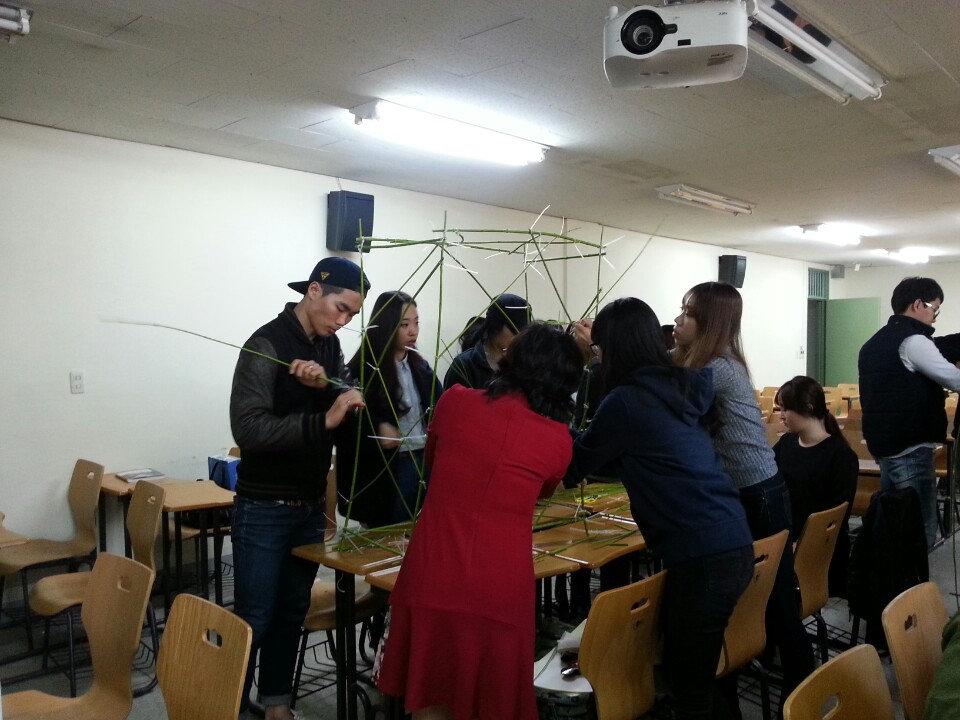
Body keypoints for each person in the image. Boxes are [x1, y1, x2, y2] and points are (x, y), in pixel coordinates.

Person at [376, 323, 583, 720]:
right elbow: (544, 491)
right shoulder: (558, 440)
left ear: (511, 358)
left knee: (428, 695)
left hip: (432, 572)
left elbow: (434, 461)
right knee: (491, 700)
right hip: (499, 586)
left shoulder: (454, 402)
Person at [567, 298, 754, 720]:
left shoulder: (626, 401)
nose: (598, 358)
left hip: (703, 554)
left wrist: (548, 418)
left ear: (613, 349)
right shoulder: (679, 386)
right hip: (729, 539)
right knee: (695, 675)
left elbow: (577, 463)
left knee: (689, 686)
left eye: (599, 349)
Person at [230, 256, 369, 720]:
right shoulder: (264, 344)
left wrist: (340, 396)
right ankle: (227, 705)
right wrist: (323, 419)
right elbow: (248, 429)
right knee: (254, 618)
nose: (343, 320)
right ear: (313, 291)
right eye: (340, 308)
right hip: (264, 507)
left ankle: (276, 704)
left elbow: (342, 401)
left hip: (309, 507)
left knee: (291, 612)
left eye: (352, 314)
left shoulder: (329, 347)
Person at [673, 281, 813, 715]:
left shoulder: (716, 369)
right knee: (743, 599)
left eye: (688, 313)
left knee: (777, 600)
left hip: (759, 493)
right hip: (747, 492)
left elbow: (664, 391)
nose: (678, 320)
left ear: (710, 322)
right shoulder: (707, 363)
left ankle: (802, 696)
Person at [859, 276, 960, 551]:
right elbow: (954, 379)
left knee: (896, 523)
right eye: (934, 309)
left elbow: (940, 346)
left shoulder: (875, 342)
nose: (934, 317)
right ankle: (912, 578)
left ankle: (895, 575)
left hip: (886, 447)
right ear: (918, 304)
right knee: (919, 529)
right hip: (911, 449)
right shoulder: (913, 341)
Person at [337, 291, 443, 527]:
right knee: (391, 535)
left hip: (424, 461)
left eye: (416, 323)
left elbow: (439, 410)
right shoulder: (362, 370)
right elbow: (345, 427)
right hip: (388, 470)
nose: (413, 331)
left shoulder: (422, 368)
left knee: (422, 530)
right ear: (386, 325)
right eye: (404, 325)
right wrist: (377, 428)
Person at [773, 376, 858, 597]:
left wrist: (802, 544)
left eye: (785, 409)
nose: (781, 416)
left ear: (808, 407)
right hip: (786, 540)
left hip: (822, 548)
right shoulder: (785, 444)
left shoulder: (841, 456)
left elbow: (835, 517)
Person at [443, 293, 531, 389]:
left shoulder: (522, 366)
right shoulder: (464, 366)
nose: (518, 337)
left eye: (523, 332)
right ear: (496, 326)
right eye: (514, 330)